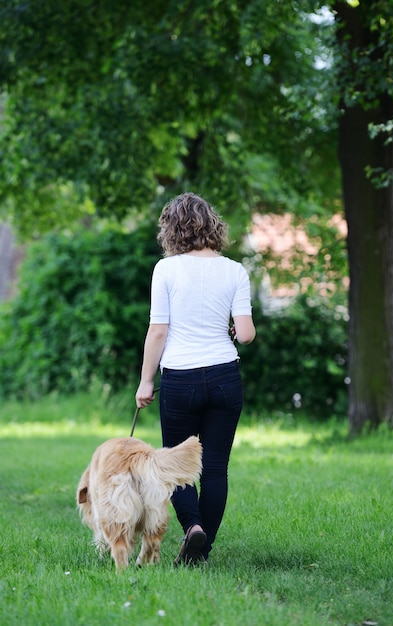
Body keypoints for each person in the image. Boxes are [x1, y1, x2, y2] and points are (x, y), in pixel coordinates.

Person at [135, 192, 256, 566]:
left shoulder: (166, 270)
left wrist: (145, 382)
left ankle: (192, 530)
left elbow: (158, 330)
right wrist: (233, 331)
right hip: (224, 376)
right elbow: (247, 333)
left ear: (172, 229)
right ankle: (200, 552)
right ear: (212, 224)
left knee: (176, 465)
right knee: (216, 467)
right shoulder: (235, 270)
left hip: (180, 379)